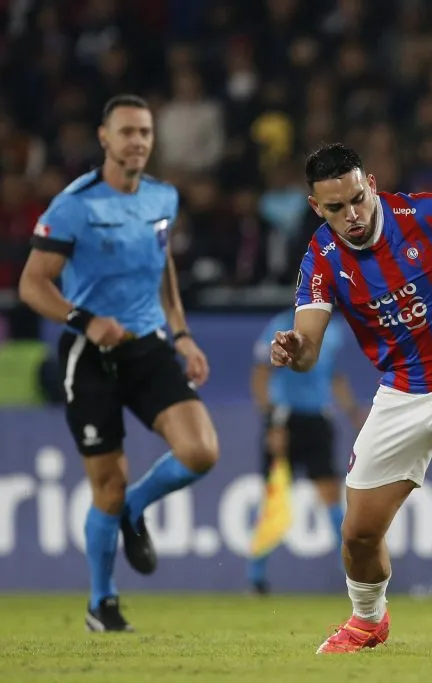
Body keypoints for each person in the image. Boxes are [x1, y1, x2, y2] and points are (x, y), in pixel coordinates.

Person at [270, 143, 432, 653]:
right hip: (403, 391)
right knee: (358, 535)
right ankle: (368, 621)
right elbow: (308, 347)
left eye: (357, 199)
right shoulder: (321, 260)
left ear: (371, 183)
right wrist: (293, 349)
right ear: (315, 208)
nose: (351, 215)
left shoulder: (423, 214)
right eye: (335, 208)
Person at [18, 94, 219, 632]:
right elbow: (31, 284)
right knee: (105, 484)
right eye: (127, 132)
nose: (137, 142)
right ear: (104, 138)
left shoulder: (163, 198)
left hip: (149, 344)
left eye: (145, 133)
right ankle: (101, 604)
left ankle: (134, 507)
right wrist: (85, 320)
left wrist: (182, 334)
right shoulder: (74, 205)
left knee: (201, 451)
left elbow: (163, 268)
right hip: (91, 355)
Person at [247, 309, 365, 594]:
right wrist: (270, 419)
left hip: (318, 419)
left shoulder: (334, 330)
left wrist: (351, 410)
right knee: (275, 494)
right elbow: (261, 373)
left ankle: (352, 573)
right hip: (285, 419)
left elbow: (333, 374)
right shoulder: (280, 324)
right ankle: (256, 577)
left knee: (330, 494)